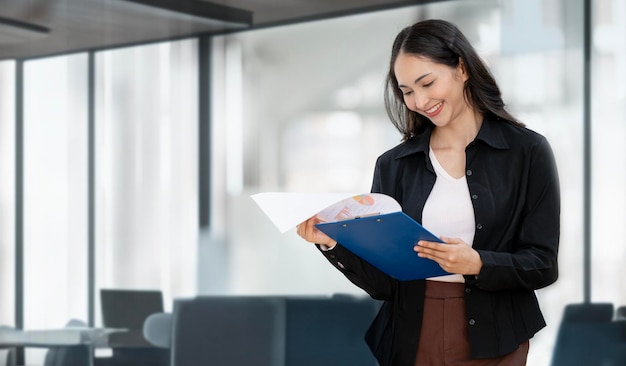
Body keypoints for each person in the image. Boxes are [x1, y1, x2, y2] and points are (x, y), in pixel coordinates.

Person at [296, 19, 560, 366]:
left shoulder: (527, 152)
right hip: (412, 332)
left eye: (427, 82)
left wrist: (478, 263)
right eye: (406, 91)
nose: (419, 101)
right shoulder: (393, 165)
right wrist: (329, 242)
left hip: (497, 336)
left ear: (461, 68)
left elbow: (542, 264)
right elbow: (384, 284)